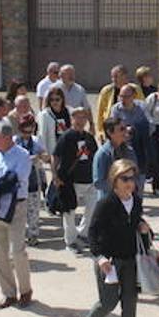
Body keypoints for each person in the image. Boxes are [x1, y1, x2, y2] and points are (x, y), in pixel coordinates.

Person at [80, 158, 152, 317]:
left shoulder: (136, 201)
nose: (130, 182)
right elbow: (92, 233)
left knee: (130, 303)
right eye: (125, 178)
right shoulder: (106, 203)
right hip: (109, 261)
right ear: (114, 180)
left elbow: (135, 222)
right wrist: (100, 257)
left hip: (129, 259)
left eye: (133, 177)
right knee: (108, 302)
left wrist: (143, 227)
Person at [0, 120, 35, 308]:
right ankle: (9, 293)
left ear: (6, 137)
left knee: (17, 251)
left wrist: (0, 184)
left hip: (16, 208)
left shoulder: (22, 156)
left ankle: (25, 290)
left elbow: (16, 180)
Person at [52, 107, 97, 251]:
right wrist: (55, 175)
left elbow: (95, 156)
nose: (80, 120)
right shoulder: (66, 137)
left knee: (92, 207)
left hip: (90, 179)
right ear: (72, 119)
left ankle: (83, 233)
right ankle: (70, 240)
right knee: (69, 211)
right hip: (71, 180)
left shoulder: (89, 137)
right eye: (77, 117)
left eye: (83, 117)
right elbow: (55, 156)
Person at [110, 84, 153, 189]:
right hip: (123, 146)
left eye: (126, 96)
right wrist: (124, 132)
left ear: (134, 96)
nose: (123, 99)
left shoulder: (142, 107)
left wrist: (136, 130)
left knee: (139, 177)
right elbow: (112, 126)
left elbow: (151, 124)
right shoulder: (116, 109)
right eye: (121, 96)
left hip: (139, 147)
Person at [15, 114, 48, 244]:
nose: (27, 134)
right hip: (17, 181)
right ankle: (19, 235)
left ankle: (33, 235)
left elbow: (45, 156)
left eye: (29, 131)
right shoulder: (14, 142)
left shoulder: (36, 141)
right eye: (24, 131)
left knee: (34, 210)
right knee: (18, 211)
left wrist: (42, 155)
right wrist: (29, 158)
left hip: (33, 178)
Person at [92, 117, 137, 204]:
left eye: (125, 128)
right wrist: (119, 186)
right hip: (108, 202)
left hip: (127, 201)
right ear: (110, 132)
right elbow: (98, 183)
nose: (126, 132)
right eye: (121, 129)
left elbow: (135, 174)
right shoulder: (102, 154)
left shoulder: (130, 151)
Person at [37, 86, 72, 159]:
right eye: (51, 100)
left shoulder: (69, 111)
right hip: (53, 152)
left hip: (68, 149)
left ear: (62, 99)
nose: (54, 102)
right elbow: (42, 135)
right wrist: (44, 153)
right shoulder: (45, 115)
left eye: (57, 99)